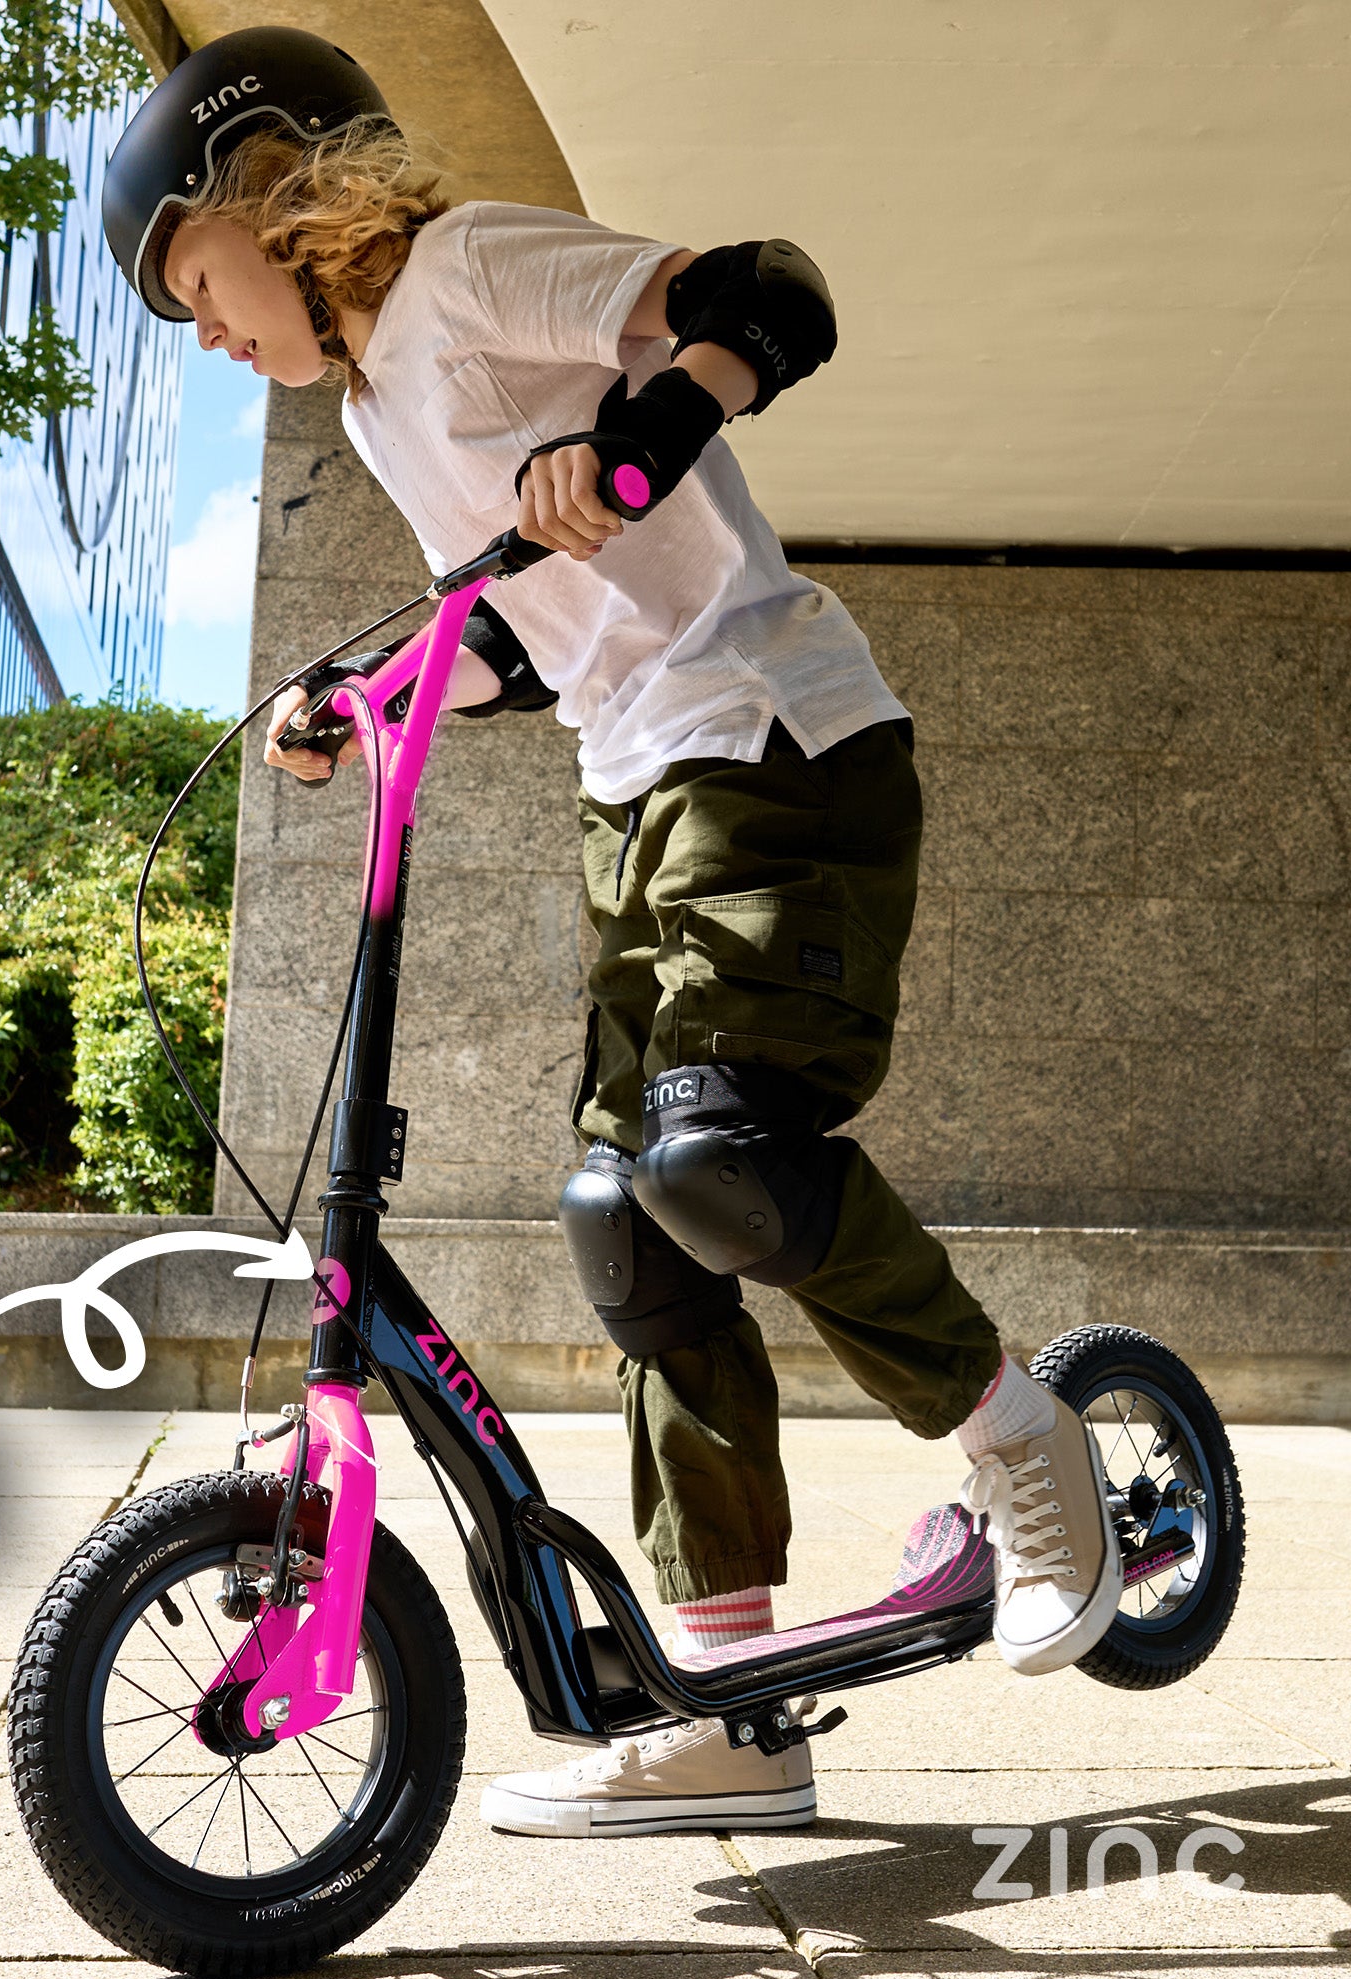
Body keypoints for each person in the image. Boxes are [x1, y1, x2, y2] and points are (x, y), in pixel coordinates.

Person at [103, 27, 1120, 1839]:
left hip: (776, 740)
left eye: (195, 281)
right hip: (634, 781)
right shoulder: (368, 401)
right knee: (627, 1218)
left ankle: (1016, 1434)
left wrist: (645, 422)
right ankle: (736, 1703)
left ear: (272, 192)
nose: (204, 331)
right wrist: (367, 689)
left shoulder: (468, 267)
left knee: (723, 1157)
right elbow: (519, 625)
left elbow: (763, 294)